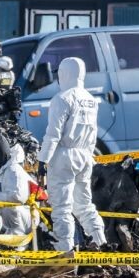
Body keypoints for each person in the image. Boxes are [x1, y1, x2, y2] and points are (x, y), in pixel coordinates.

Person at [40, 57, 107, 251]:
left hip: (63, 157)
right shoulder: (90, 99)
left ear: (64, 74)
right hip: (85, 155)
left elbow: (53, 134)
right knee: (84, 205)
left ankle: (65, 250)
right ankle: (100, 241)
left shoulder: (61, 99)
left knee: (61, 207)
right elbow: (93, 133)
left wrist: (42, 161)